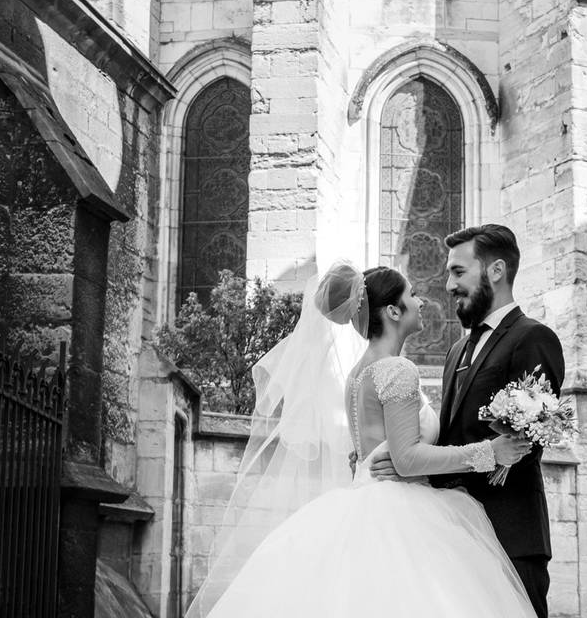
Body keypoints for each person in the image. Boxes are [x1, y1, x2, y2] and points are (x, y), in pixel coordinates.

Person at [186, 263, 538, 618]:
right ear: (393, 311)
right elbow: (407, 460)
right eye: (412, 295)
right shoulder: (396, 369)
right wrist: (489, 452)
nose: (421, 303)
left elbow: (371, 451)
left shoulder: (358, 373)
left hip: (364, 495)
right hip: (399, 510)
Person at [371, 224, 565, 618]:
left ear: (495, 271)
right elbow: (450, 436)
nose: (447, 285)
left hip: (510, 537)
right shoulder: (457, 349)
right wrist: (406, 462)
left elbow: (525, 447)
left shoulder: (534, 338)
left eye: (458, 272)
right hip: (454, 536)